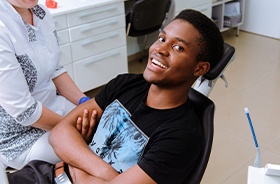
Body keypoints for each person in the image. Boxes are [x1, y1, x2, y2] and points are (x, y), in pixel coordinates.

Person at [8, 9, 224, 184]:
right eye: (161, 38)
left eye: (178, 47)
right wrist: (108, 175)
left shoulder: (182, 136)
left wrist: (76, 158)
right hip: (44, 174)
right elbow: (59, 134)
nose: (159, 49)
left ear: (199, 69)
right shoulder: (126, 83)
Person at [0, 0, 90, 170]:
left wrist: (85, 102)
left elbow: (55, 70)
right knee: (92, 148)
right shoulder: (3, 28)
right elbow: (25, 112)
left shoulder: (41, 12)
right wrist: (72, 126)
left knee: (105, 128)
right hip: (19, 137)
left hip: (53, 108)